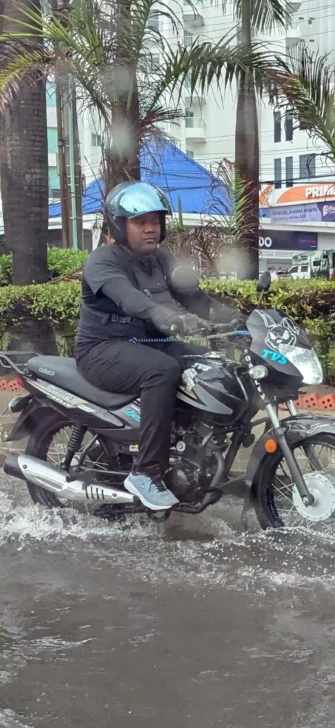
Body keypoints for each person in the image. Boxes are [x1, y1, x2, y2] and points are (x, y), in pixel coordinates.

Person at [75, 180, 234, 512]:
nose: (151, 228)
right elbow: (128, 298)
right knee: (162, 371)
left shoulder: (161, 260)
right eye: (140, 222)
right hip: (102, 349)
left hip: (147, 345)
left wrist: (240, 321)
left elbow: (196, 299)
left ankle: (192, 454)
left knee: (213, 367)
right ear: (120, 225)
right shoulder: (103, 261)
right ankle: (146, 473)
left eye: (155, 221)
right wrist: (165, 315)